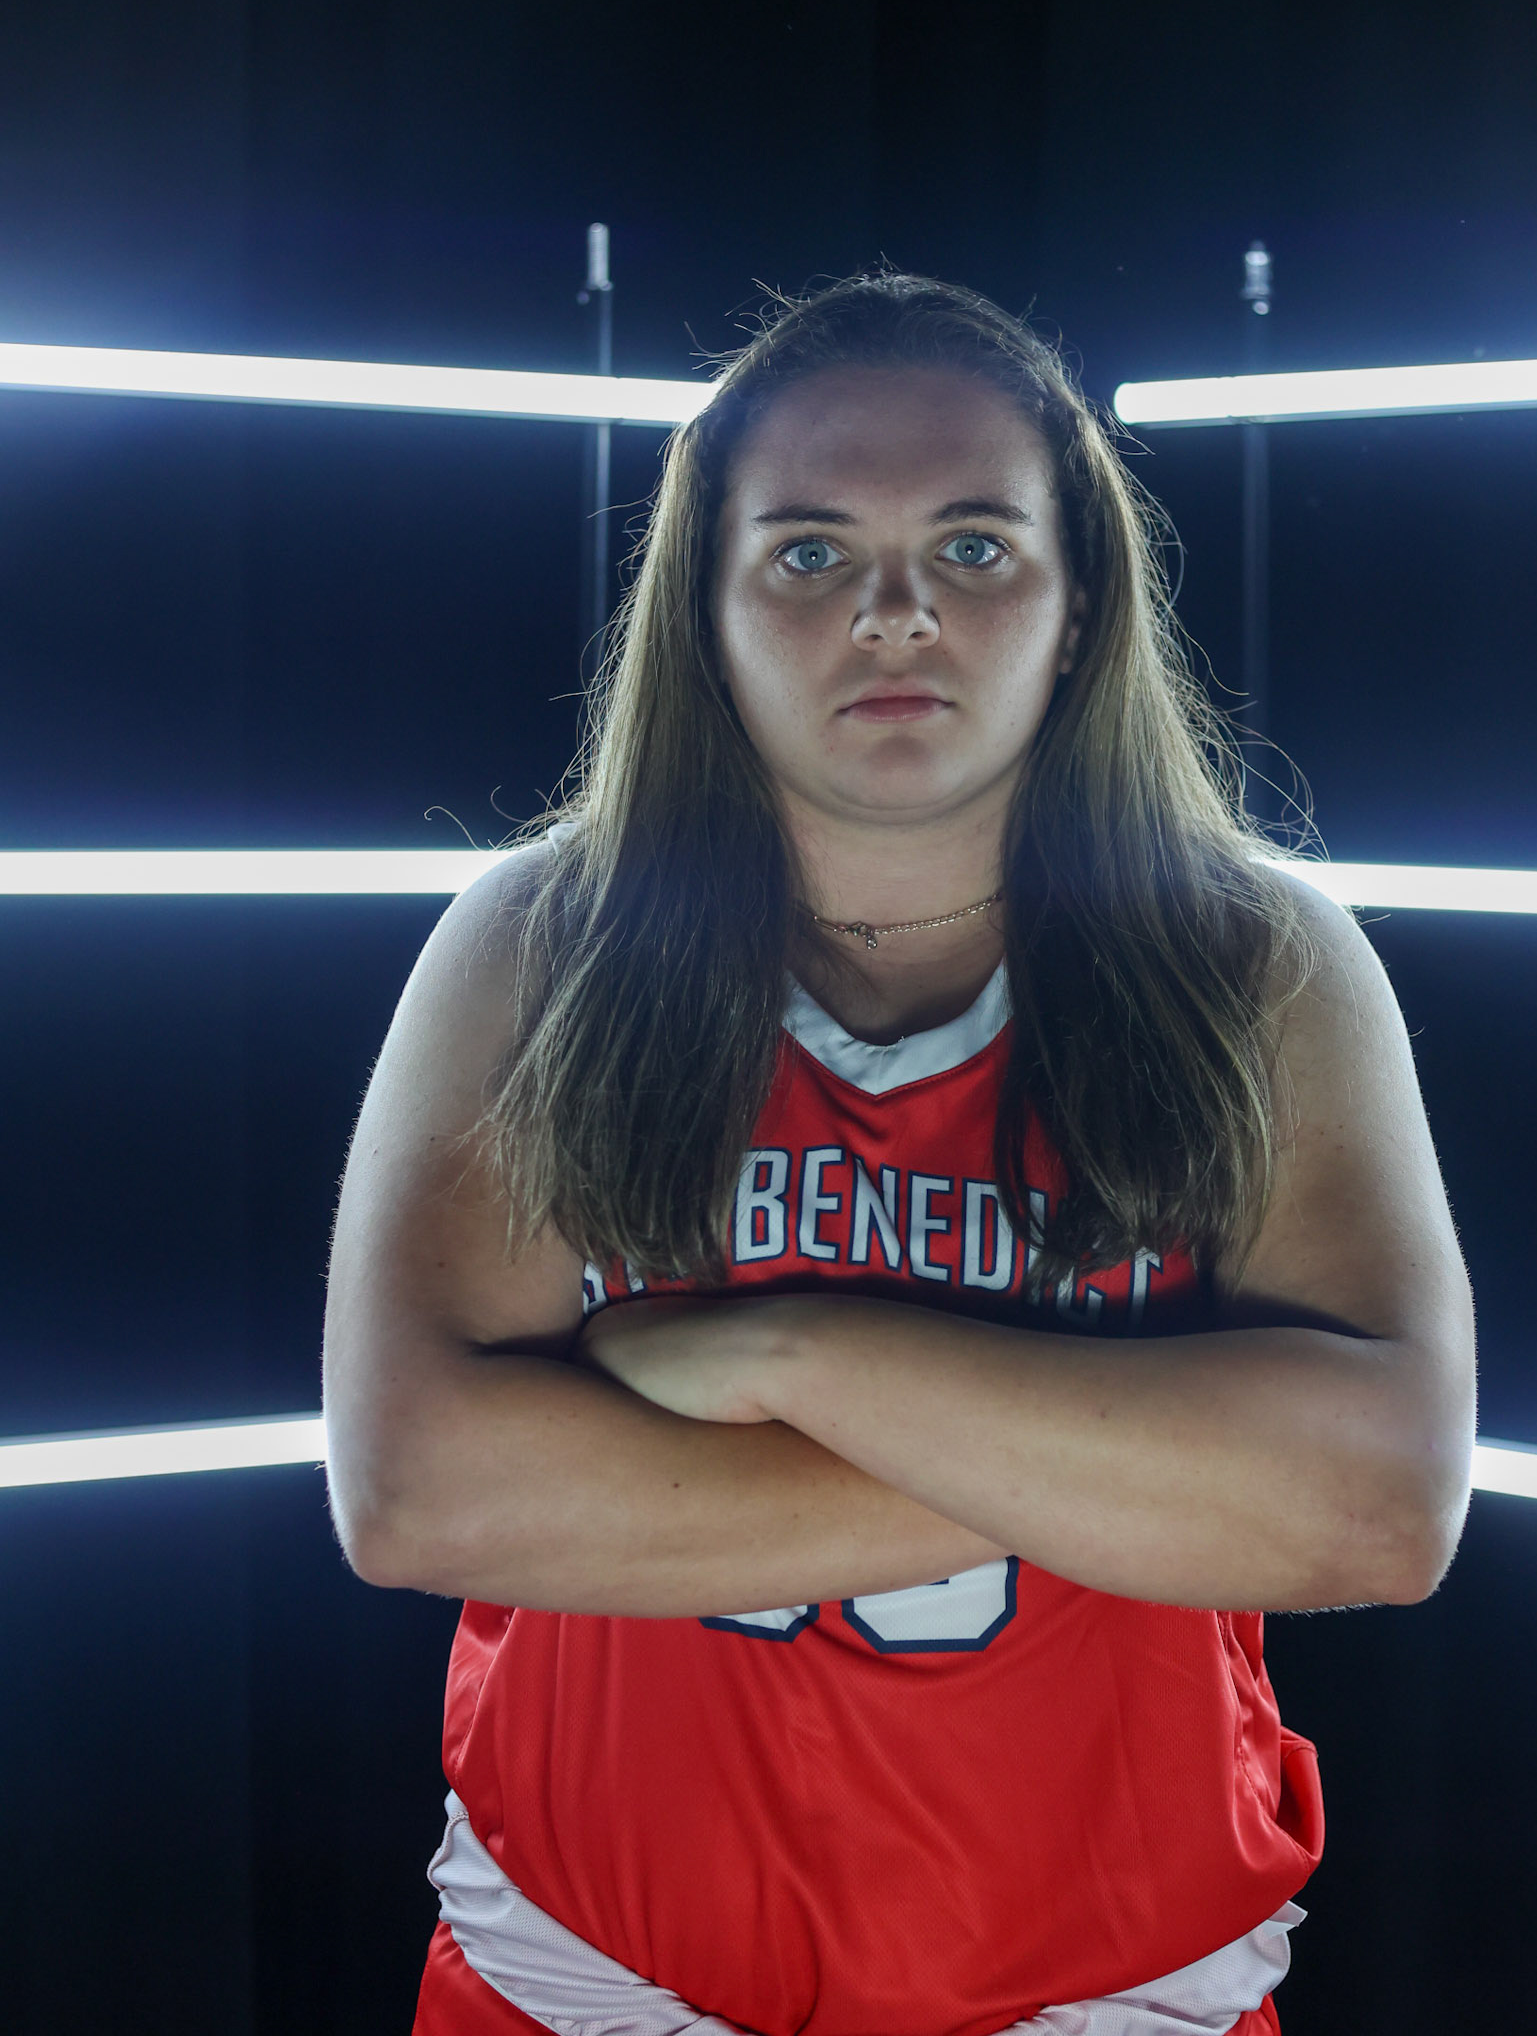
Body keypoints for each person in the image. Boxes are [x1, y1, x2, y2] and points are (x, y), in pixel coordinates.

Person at [322, 272, 1475, 2036]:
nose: (891, 614)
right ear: (700, 617)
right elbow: (418, 1494)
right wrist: (1138, 1456)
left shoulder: (1252, 964)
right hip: (590, 1978)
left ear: (1078, 605)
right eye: (804, 554)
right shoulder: (544, 945)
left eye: (972, 548)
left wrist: (774, 1356)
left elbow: (1377, 1510)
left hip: (1111, 1989)